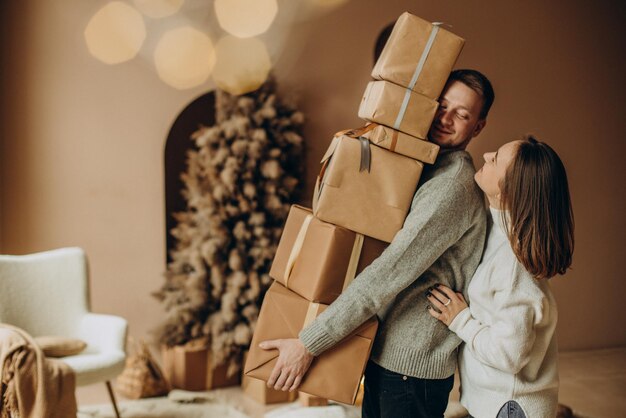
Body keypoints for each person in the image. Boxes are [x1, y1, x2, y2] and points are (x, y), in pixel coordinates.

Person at [258, 67, 495, 418]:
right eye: (442, 106)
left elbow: (389, 271)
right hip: (390, 352)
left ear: (477, 126)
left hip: (411, 366)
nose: (445, 119)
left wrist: (309, 343)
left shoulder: (452, 184)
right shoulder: (424, 166)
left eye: (461, 114)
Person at [427, 136, 574, 418]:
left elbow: (509, 355)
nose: (485, 155)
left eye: (495, 160)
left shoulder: (513, 269)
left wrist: (461, 320)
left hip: (510, 407)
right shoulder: (498, 229)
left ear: (510, 191)